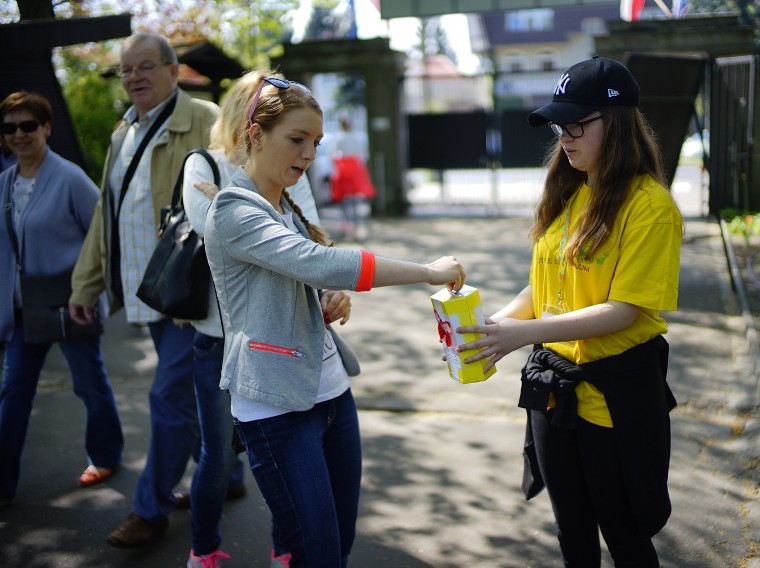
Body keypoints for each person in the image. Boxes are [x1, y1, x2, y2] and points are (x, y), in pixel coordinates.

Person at [204, 75, 465, 567]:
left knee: (337, 542)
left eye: (316, 142)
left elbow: (307, 273)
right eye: (296, 139)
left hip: (330, 391)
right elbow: (319, 261)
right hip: (275, 406)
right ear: (256, 134)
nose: (309, 154)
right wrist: (428, 272)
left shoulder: (286, 204)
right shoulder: (235, 209)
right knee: (317, 551)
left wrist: (329, 296)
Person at [456, 57, 682, 566]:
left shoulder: (650, 207)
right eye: (562, 126)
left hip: (613, 399)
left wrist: (521, 334)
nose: (566, 137)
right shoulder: (570, 192)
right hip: (553, 394)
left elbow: (624, 310)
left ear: (618, 123)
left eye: (578, 124)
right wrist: (494, 327)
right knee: (571, 531)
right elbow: (544, 283)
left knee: (624, 535)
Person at [68, 32, 219, 548]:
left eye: (145, 67)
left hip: (189, 291)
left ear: (173, 72)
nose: (134, 77)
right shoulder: (122, 133)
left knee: (167, 395)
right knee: (187, 395)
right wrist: (85, 286)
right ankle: (228, 475)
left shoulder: (204, 119)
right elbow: (102, 219)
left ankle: (150, 509)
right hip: (144, 290)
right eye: (126, 70)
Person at [180, 69, 323, 567]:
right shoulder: (204, 163)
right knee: (219, 455)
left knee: (284, 469)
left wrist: (329, 288)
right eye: (254, 105)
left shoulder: (287, 168)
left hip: (282, 338)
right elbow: (213, 226)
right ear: (246, 121)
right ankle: (203, 548)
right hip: (220, 337)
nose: (307, 151)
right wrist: (240, 202)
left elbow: (310, 238)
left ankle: (284, 549)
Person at [0, 91, 124, 505]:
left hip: (70, 300)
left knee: (88, 383)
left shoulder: (69, 177)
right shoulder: (4, 183)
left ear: (46, 128)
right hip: (23, 305)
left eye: (28, 125)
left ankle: (106, 454)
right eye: (9, 127)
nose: (19, 134)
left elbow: (103, 231)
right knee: (14, 389)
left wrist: (92, 289)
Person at [329, 115, 375, 240]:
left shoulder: (339, 138)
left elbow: (334, 154)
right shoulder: (355, 138)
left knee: (344, 201)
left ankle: (347, 227)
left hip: (343, 170)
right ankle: (357, 227)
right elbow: (362, 155)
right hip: (355, 170)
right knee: (356, 200)